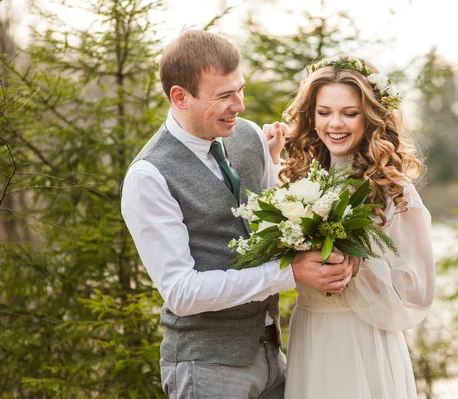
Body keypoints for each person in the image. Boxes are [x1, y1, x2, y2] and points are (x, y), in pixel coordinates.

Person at [120, 30, 355, 399]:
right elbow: (181, 292)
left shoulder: (248, 137)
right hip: (207, 368)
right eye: (224, 96)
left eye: (240, 89)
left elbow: (276, 221)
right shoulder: (148, 177)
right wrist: (288, 273)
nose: (240, 104)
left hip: (274, 355)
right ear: (180, 97)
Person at [277, 55, 436, 399]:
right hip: (311, 332)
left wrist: (358, 266)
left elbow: (418, 291)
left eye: (350, 113)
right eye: (324, 112)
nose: (335, 124)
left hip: (365, 339)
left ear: (371, 116)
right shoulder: (295, 181)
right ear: (311, 116)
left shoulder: (394, 190)